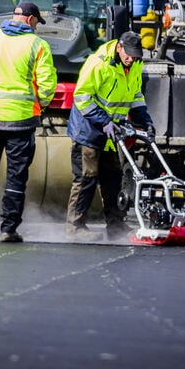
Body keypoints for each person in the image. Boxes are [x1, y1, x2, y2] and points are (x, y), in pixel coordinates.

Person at [0, 1, 57, 243]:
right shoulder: (38, 45)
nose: (36, 27)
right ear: (30, 19)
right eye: (37, 22)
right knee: (16, 177)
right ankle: (8, 230)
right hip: (22, 122)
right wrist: (40, 105)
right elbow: (47, 84)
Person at [65, 31, 154, 242]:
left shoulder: (135, 64)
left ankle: (116, 226)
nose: (131, 59)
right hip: (88, 129)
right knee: (86, 178)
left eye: (135, 55)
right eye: (128, 54)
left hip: (112, 132)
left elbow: (136, 95)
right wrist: (104, 121)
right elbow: (82, 97)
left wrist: (145, 121)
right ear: (119, 48)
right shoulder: (98, 63)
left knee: (113, 178)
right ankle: (75, 227)